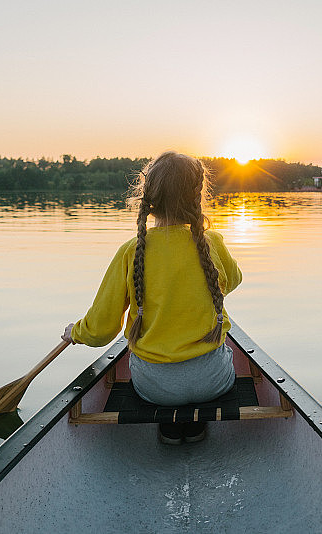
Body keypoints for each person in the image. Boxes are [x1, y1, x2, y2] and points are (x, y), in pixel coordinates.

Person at [61, 151, 242, 444]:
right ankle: (196, 427)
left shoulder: (131, 251)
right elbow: (231, 282)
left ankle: (169, 428)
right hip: (213, 381)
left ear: (149, 198)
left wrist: (76, 333)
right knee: (224, 355)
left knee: (157, 381)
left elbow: (102, 329)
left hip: (155, 388)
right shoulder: (213, 244)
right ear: (197, 197)